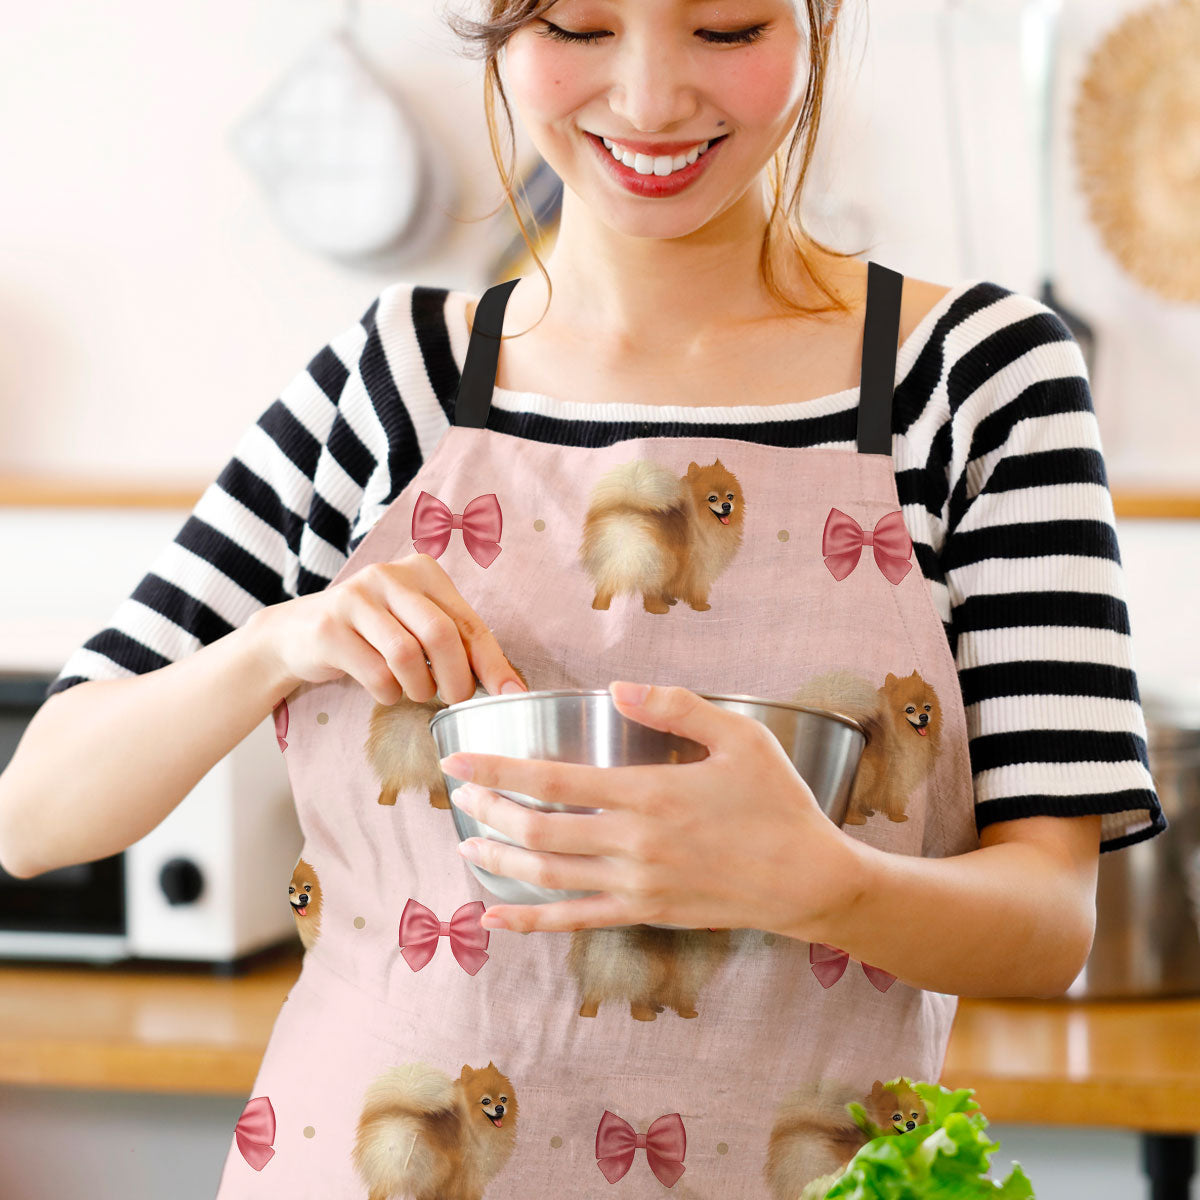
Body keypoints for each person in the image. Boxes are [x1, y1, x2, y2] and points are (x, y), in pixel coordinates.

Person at [0, 1, 1166, 1196]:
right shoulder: (396, 380)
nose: (651, 101)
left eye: (727, 28)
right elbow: (34, 814)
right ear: (500, 31)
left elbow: (1047, 923)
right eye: (578, 25)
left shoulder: (976, 382)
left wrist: (825, 883)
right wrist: (278, 642)